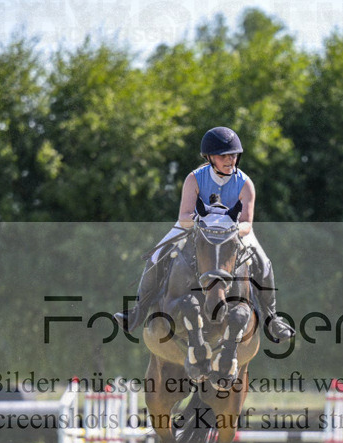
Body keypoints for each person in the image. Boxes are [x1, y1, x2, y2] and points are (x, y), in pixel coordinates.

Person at [114, 126, 294, 341]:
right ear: (210, 157)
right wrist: (204, 221)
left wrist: (232, 228)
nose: (230, 160)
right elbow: (184, 216)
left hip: (233, 231)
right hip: (195, 227)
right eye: (223, 155)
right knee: (156, 256)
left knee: (264, 262)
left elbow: (247, 222)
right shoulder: (194, 179)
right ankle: (137, 312)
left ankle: (272, 318)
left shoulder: (245, 184)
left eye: (234, 155)